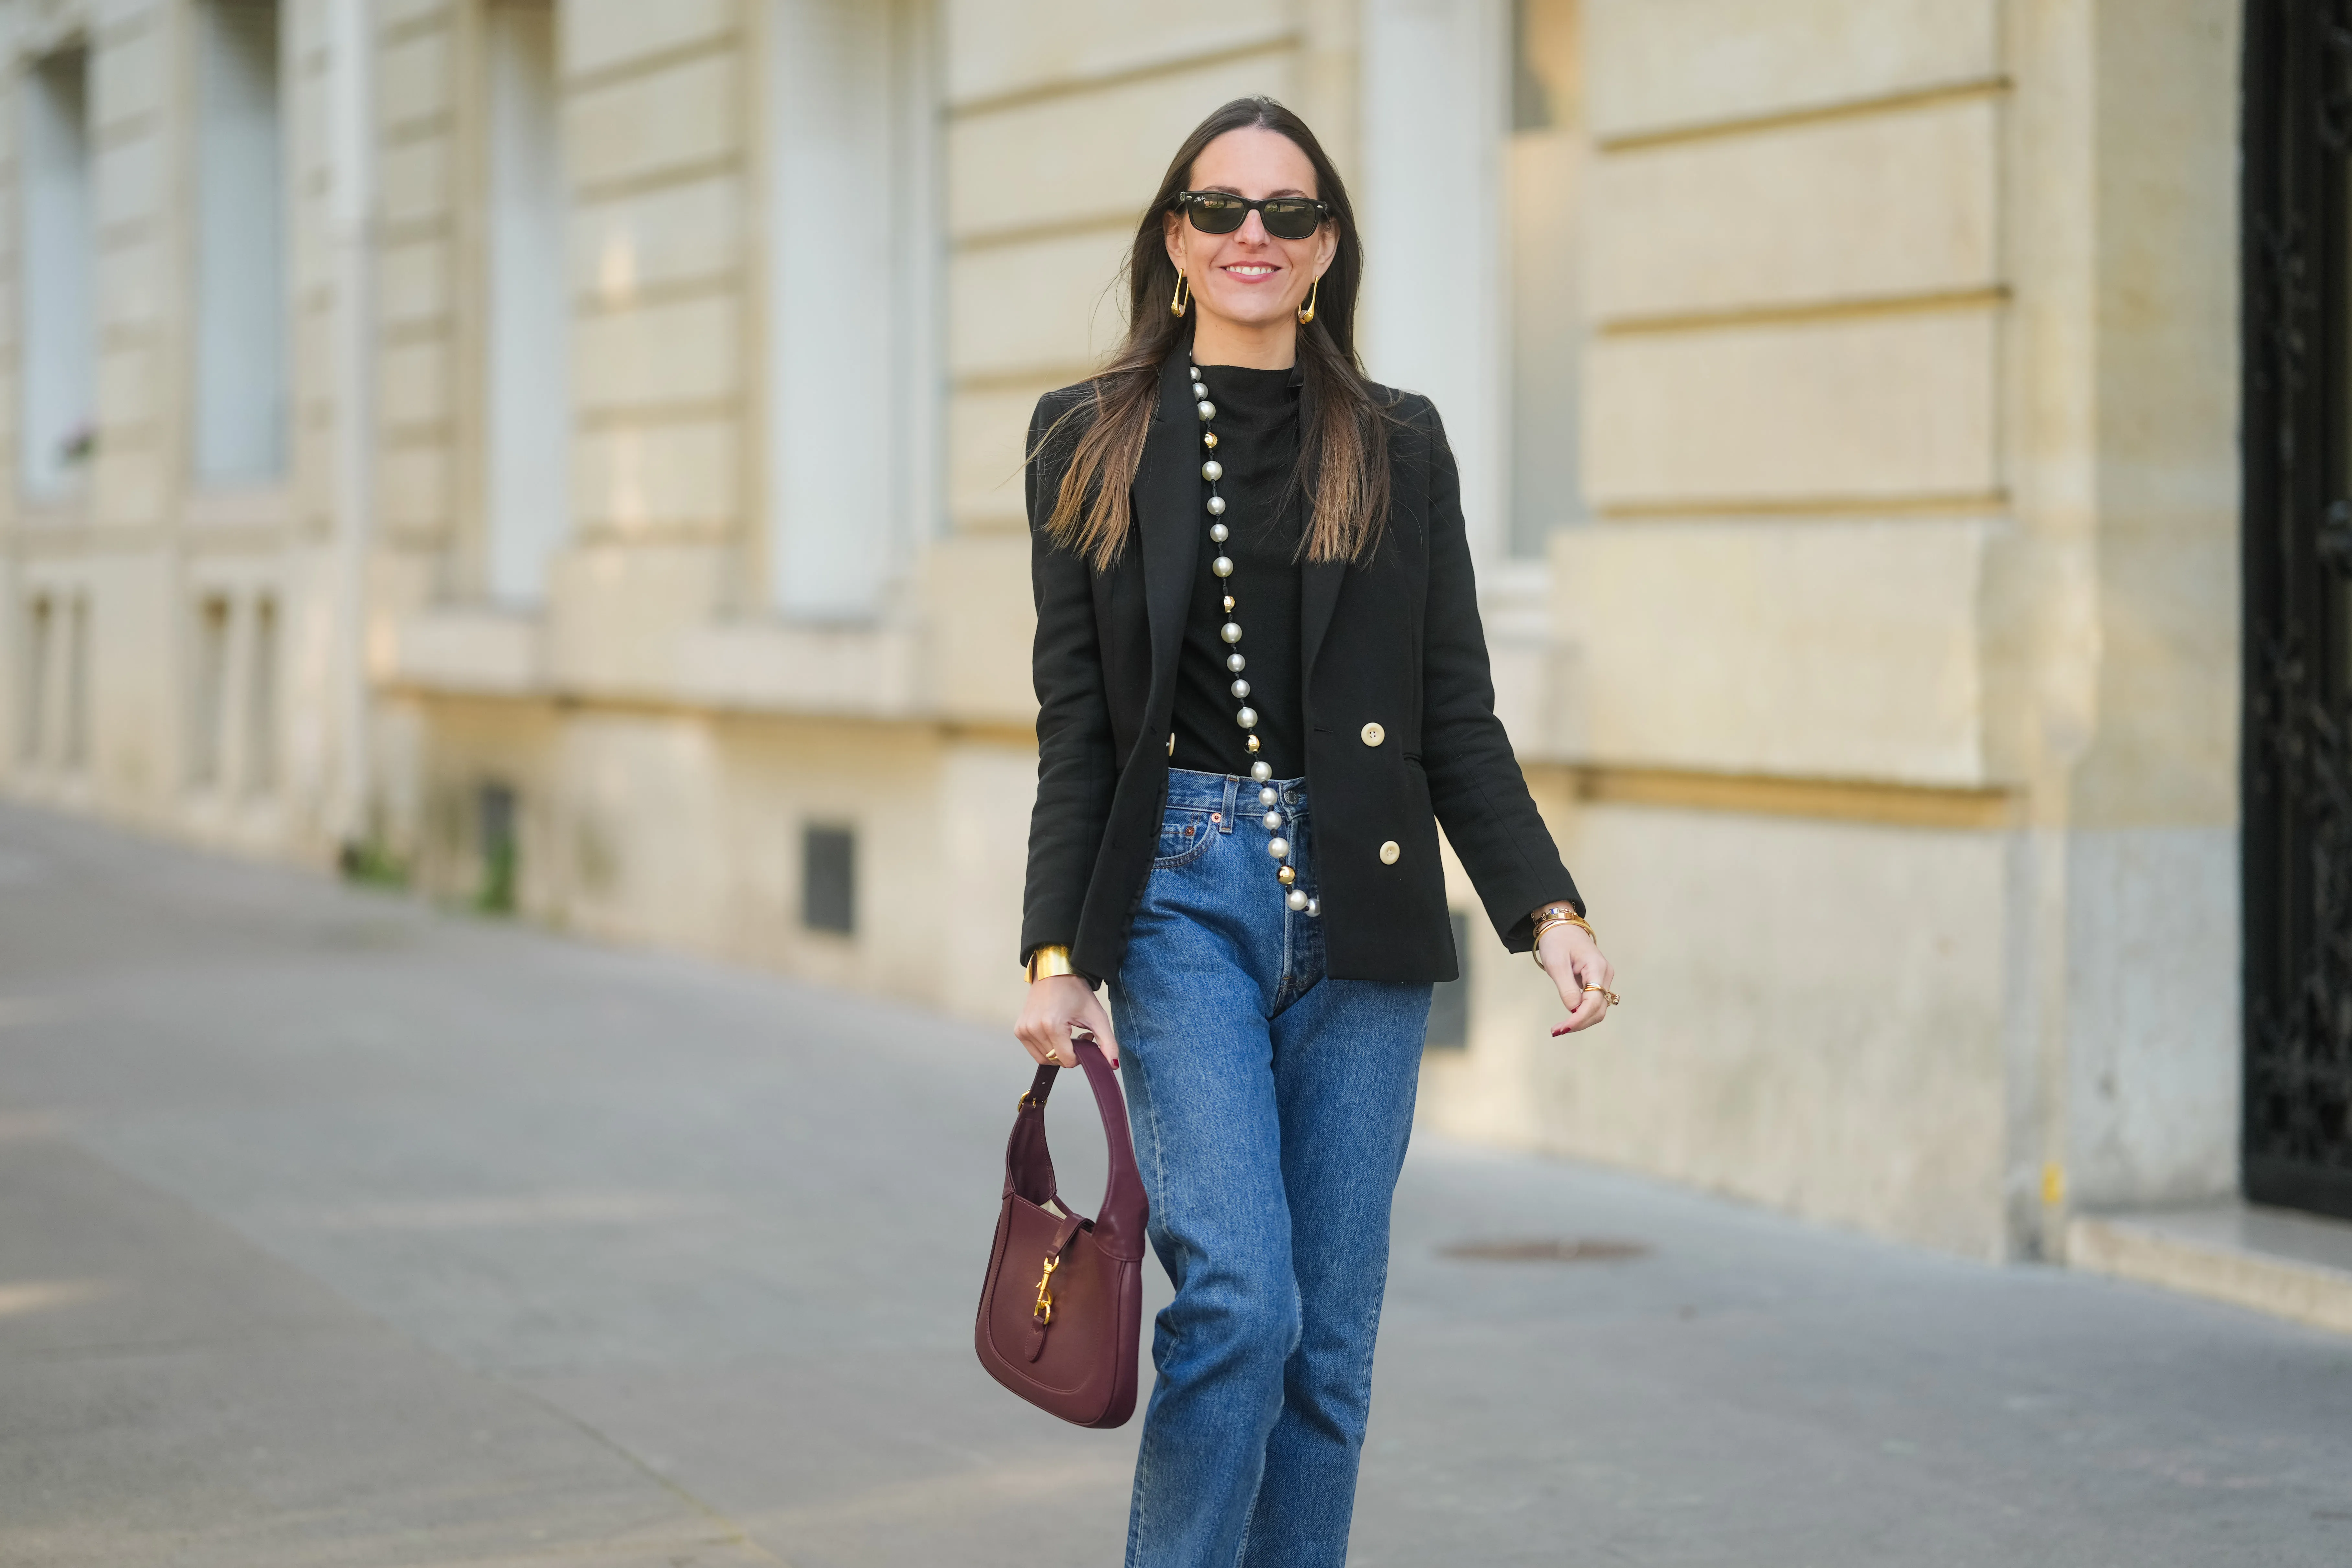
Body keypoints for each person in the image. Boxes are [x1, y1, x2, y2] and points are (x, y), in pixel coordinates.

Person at [1012, 96, 1616, 1568]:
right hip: (1174, 902)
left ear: (1329, 245)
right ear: (1174, 238)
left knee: (1330, 1347)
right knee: (1240, 1297)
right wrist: (1052, 951)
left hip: (1363, 905)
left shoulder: (1396, 445)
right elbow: (1079, 721)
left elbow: (1451, 713)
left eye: (1288, 214)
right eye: (1220, 210)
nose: (1252, 238)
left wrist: (1547, 910)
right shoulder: (1088, 438)